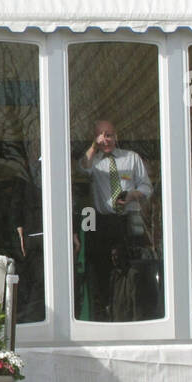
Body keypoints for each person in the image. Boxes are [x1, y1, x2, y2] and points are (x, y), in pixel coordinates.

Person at [77, 119, 154, 320]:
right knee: (101, 274)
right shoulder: (94, 161)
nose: (106, 139)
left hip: (127, 221)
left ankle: (128, 316)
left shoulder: (131, 158)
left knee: (129, 274)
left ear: (116, 136)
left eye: (109, 134)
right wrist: (94, 147)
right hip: (101, 222)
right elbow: (83, 168)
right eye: (101, 135)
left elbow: (147, 187)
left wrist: (131, 196)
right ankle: (103, 318)